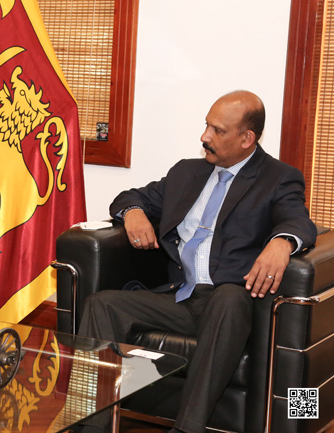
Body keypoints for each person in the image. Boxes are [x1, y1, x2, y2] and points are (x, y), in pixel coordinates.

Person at [78, 91, 317, 433]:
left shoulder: (277, 178)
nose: (204, 137)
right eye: (206, 125)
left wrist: (281, 242)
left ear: (247, 139)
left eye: (217, 130)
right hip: (179, 296)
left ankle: (187, 429)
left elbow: (299, 221)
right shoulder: (187, 173)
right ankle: (90, 426)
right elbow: (130, 196)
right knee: (102, 305)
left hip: (229, 302)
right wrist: (133, 213)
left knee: (229, 298)